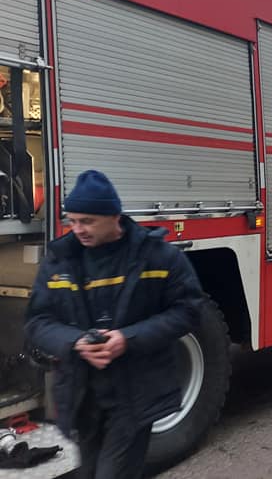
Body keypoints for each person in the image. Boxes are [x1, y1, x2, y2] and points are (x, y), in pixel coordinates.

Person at [24, 170, 204, 478]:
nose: (77, 229)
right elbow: (37, 322)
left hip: (133, 395)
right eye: (72, 220)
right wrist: (75, 342)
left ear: (114, 216)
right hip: (83, 398)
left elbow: (188, 310)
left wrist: (128, 339)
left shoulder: (157, 257)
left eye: (88, 221)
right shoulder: (59, 261)